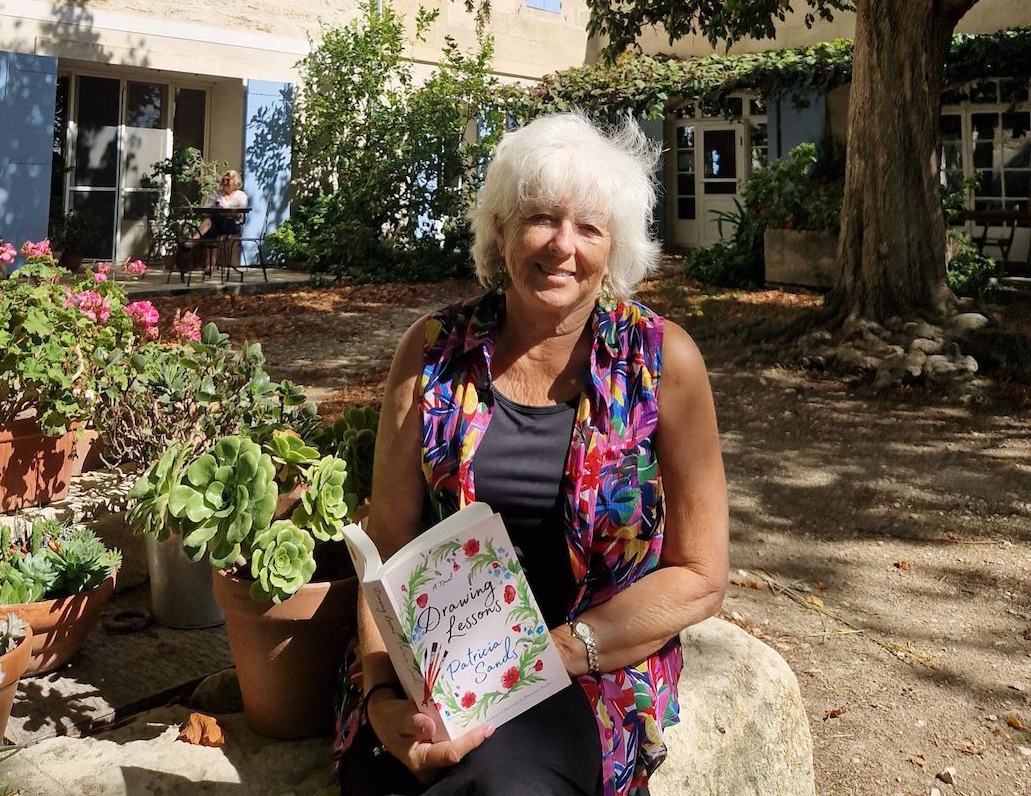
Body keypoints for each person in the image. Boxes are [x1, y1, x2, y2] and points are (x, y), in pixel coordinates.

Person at [333, 112, 729, 796]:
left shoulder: (664, 361)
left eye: (589, 227)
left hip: (590, 670)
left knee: (500, 784)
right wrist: (380, 698)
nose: (562, 247)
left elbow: (700, 573)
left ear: (616, 248)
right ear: (501, 230)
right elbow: (386, 544)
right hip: (438, 670)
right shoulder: (432, 351)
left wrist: (551, 653)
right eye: (541, 218)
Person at [195, 169, 248, 276]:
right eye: (224, 180)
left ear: (235, 182)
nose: (225, 182)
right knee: (212, 228)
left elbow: (238, 215)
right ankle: (210, 266)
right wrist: (221, 212)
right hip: (217, 223)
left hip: (232, 225)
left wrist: (223, 213)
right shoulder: (217, 193)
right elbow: (207, 208)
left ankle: (193, 240)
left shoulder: (241, 195)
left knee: (212, 222)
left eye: (228, 180)